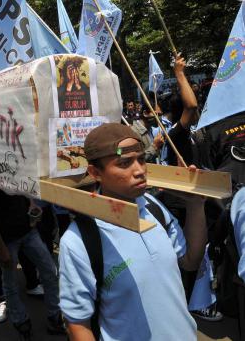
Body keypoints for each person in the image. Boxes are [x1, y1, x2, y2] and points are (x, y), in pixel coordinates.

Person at [59, 123, 207, 340]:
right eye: (124, 163)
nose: (139, 170)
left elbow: (191, 261)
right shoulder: (79, 240)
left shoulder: (154, 208)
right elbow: (78, 324)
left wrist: (196, 205)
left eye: (141, 159)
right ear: (95, 173)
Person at [0, 186, 66, 339]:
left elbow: (23, 186)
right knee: (10, 284)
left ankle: (54, 318)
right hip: (6, 238)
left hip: (28, 230)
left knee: (50, 271)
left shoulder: (16, 163)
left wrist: (31, 203)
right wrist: (0, 246)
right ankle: (22, 324)